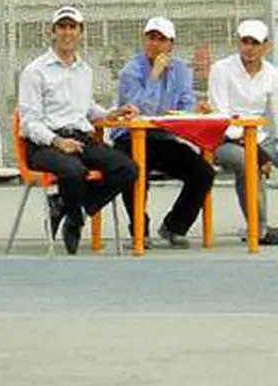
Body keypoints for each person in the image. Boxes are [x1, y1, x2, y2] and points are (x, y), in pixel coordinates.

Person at [16, 6, 139, 254]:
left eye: (73, 27)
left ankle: (73, 210)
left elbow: (85, 108)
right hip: (44, 145)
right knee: (74, 171)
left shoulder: (85, 70)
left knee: (128, 168)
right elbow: (29, 122)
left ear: (81, 32)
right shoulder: (35, 71)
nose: (67, 32)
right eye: (62, 26)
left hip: (80, 139)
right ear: (52, 32)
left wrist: (109, 114)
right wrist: (57, 141)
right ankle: (72, 213)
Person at [109, 16, 214, 248]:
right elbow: (139, 111)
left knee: (203, 173)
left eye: (161, 39)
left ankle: (174, 226)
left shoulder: (181, 71)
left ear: (171, 44)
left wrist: (195, 110)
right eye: (151, 37)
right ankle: (139, 230)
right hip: (131, 136)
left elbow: (185, 105)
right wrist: (155, 75)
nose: (155, 43)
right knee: (134, 170)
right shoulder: (130, 71)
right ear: (144, 40)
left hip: (163, 137)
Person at [208, 19, 278, 245]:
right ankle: (259, 229)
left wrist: (262, 148)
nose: (249, 48)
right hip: (224, 140)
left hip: (260, 139)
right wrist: (257, 152)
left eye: (255, 43)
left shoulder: (272, 74)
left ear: (266, 46)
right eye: (245, 41)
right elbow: (222, 117)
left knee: (255, 156)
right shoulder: (221, 69)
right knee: (246, 162)